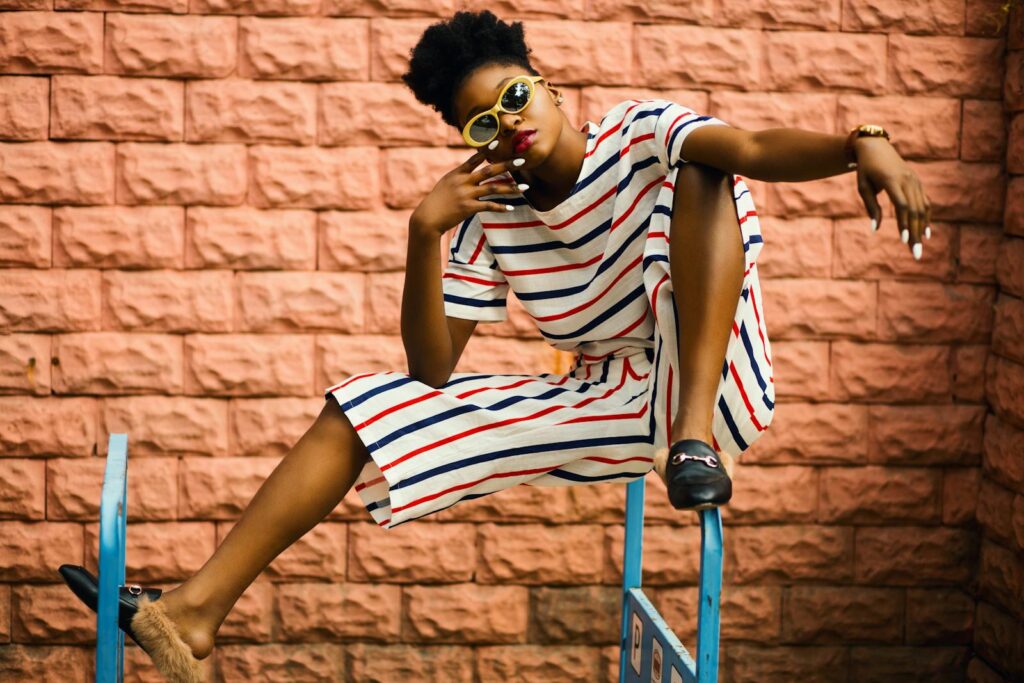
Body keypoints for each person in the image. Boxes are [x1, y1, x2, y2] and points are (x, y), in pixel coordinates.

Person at [58, 10, 932, 681]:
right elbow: (432, 372)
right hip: (611, 398)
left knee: (703, 166)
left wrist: (862, 145)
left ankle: (694, 439)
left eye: (514, 97)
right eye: (481, 123)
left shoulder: (635, 134)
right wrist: (424, 231)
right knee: (365, 404)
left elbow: (744, 145)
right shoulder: (493, 216)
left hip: (710, 374)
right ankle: (194, 610)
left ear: (546, 85)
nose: (508, 124)